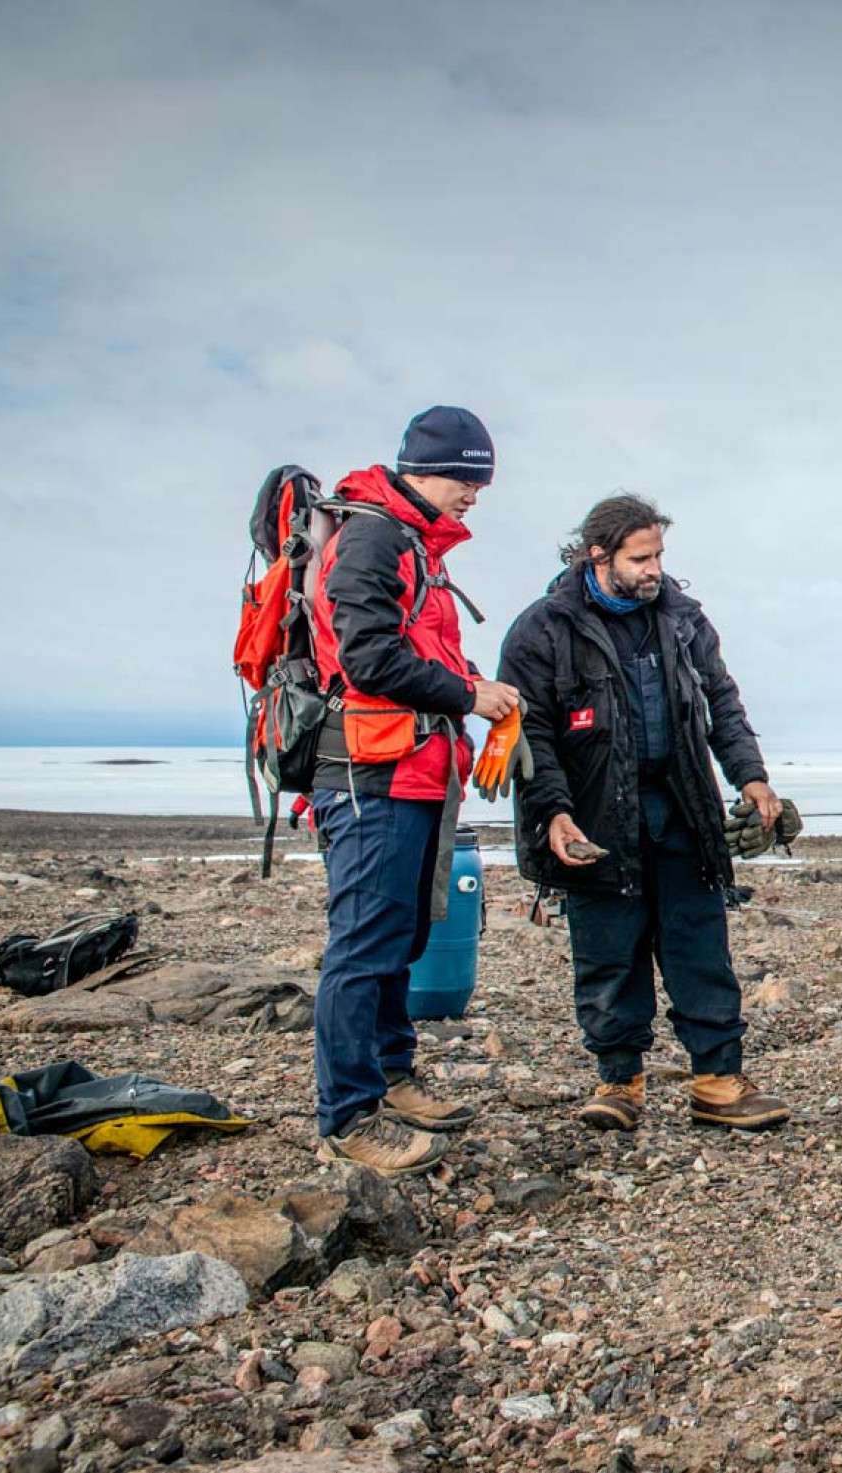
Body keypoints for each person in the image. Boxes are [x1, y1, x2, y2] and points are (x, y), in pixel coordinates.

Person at [496, 495, 789, 1132]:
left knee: (699, 944)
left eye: (659, 554)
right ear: (598, 555)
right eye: (641, 557)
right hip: (595, 817)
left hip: (682, 807)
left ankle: (717, 1079)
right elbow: (531, 733)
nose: (654, 568)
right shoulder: (543, 629)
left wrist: (752, 776)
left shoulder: (683, 619)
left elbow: (722, 701)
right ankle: (619, 1082)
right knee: (608, 950)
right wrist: (553, 814)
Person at [310, 406, 519, 1174]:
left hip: (414, 769)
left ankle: (393, 1076)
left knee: (400, 936)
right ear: (429, 468)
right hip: (369, 774)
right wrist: (471, 695)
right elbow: (368, 658)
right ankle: (349, 1112)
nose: (474, 497)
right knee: (363, 942)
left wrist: (464, 694)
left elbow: (411, 654)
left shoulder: (412, 544)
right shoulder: (371, 537)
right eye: (468, 480)